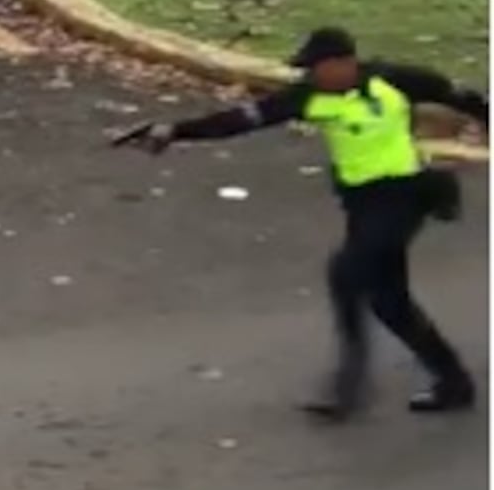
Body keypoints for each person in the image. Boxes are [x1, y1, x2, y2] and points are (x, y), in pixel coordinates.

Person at [116, 27, 486, 422]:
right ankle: (454, 383)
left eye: (318, 67)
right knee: (388, 301)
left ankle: (349, 385)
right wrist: (174, 131)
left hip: (408, 194)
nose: (311, 75)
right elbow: (240, 121)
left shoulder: (394, 79)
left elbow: (459, 96)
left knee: (345, 274)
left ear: (344, 63)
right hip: (363, 204)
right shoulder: (307, 97)